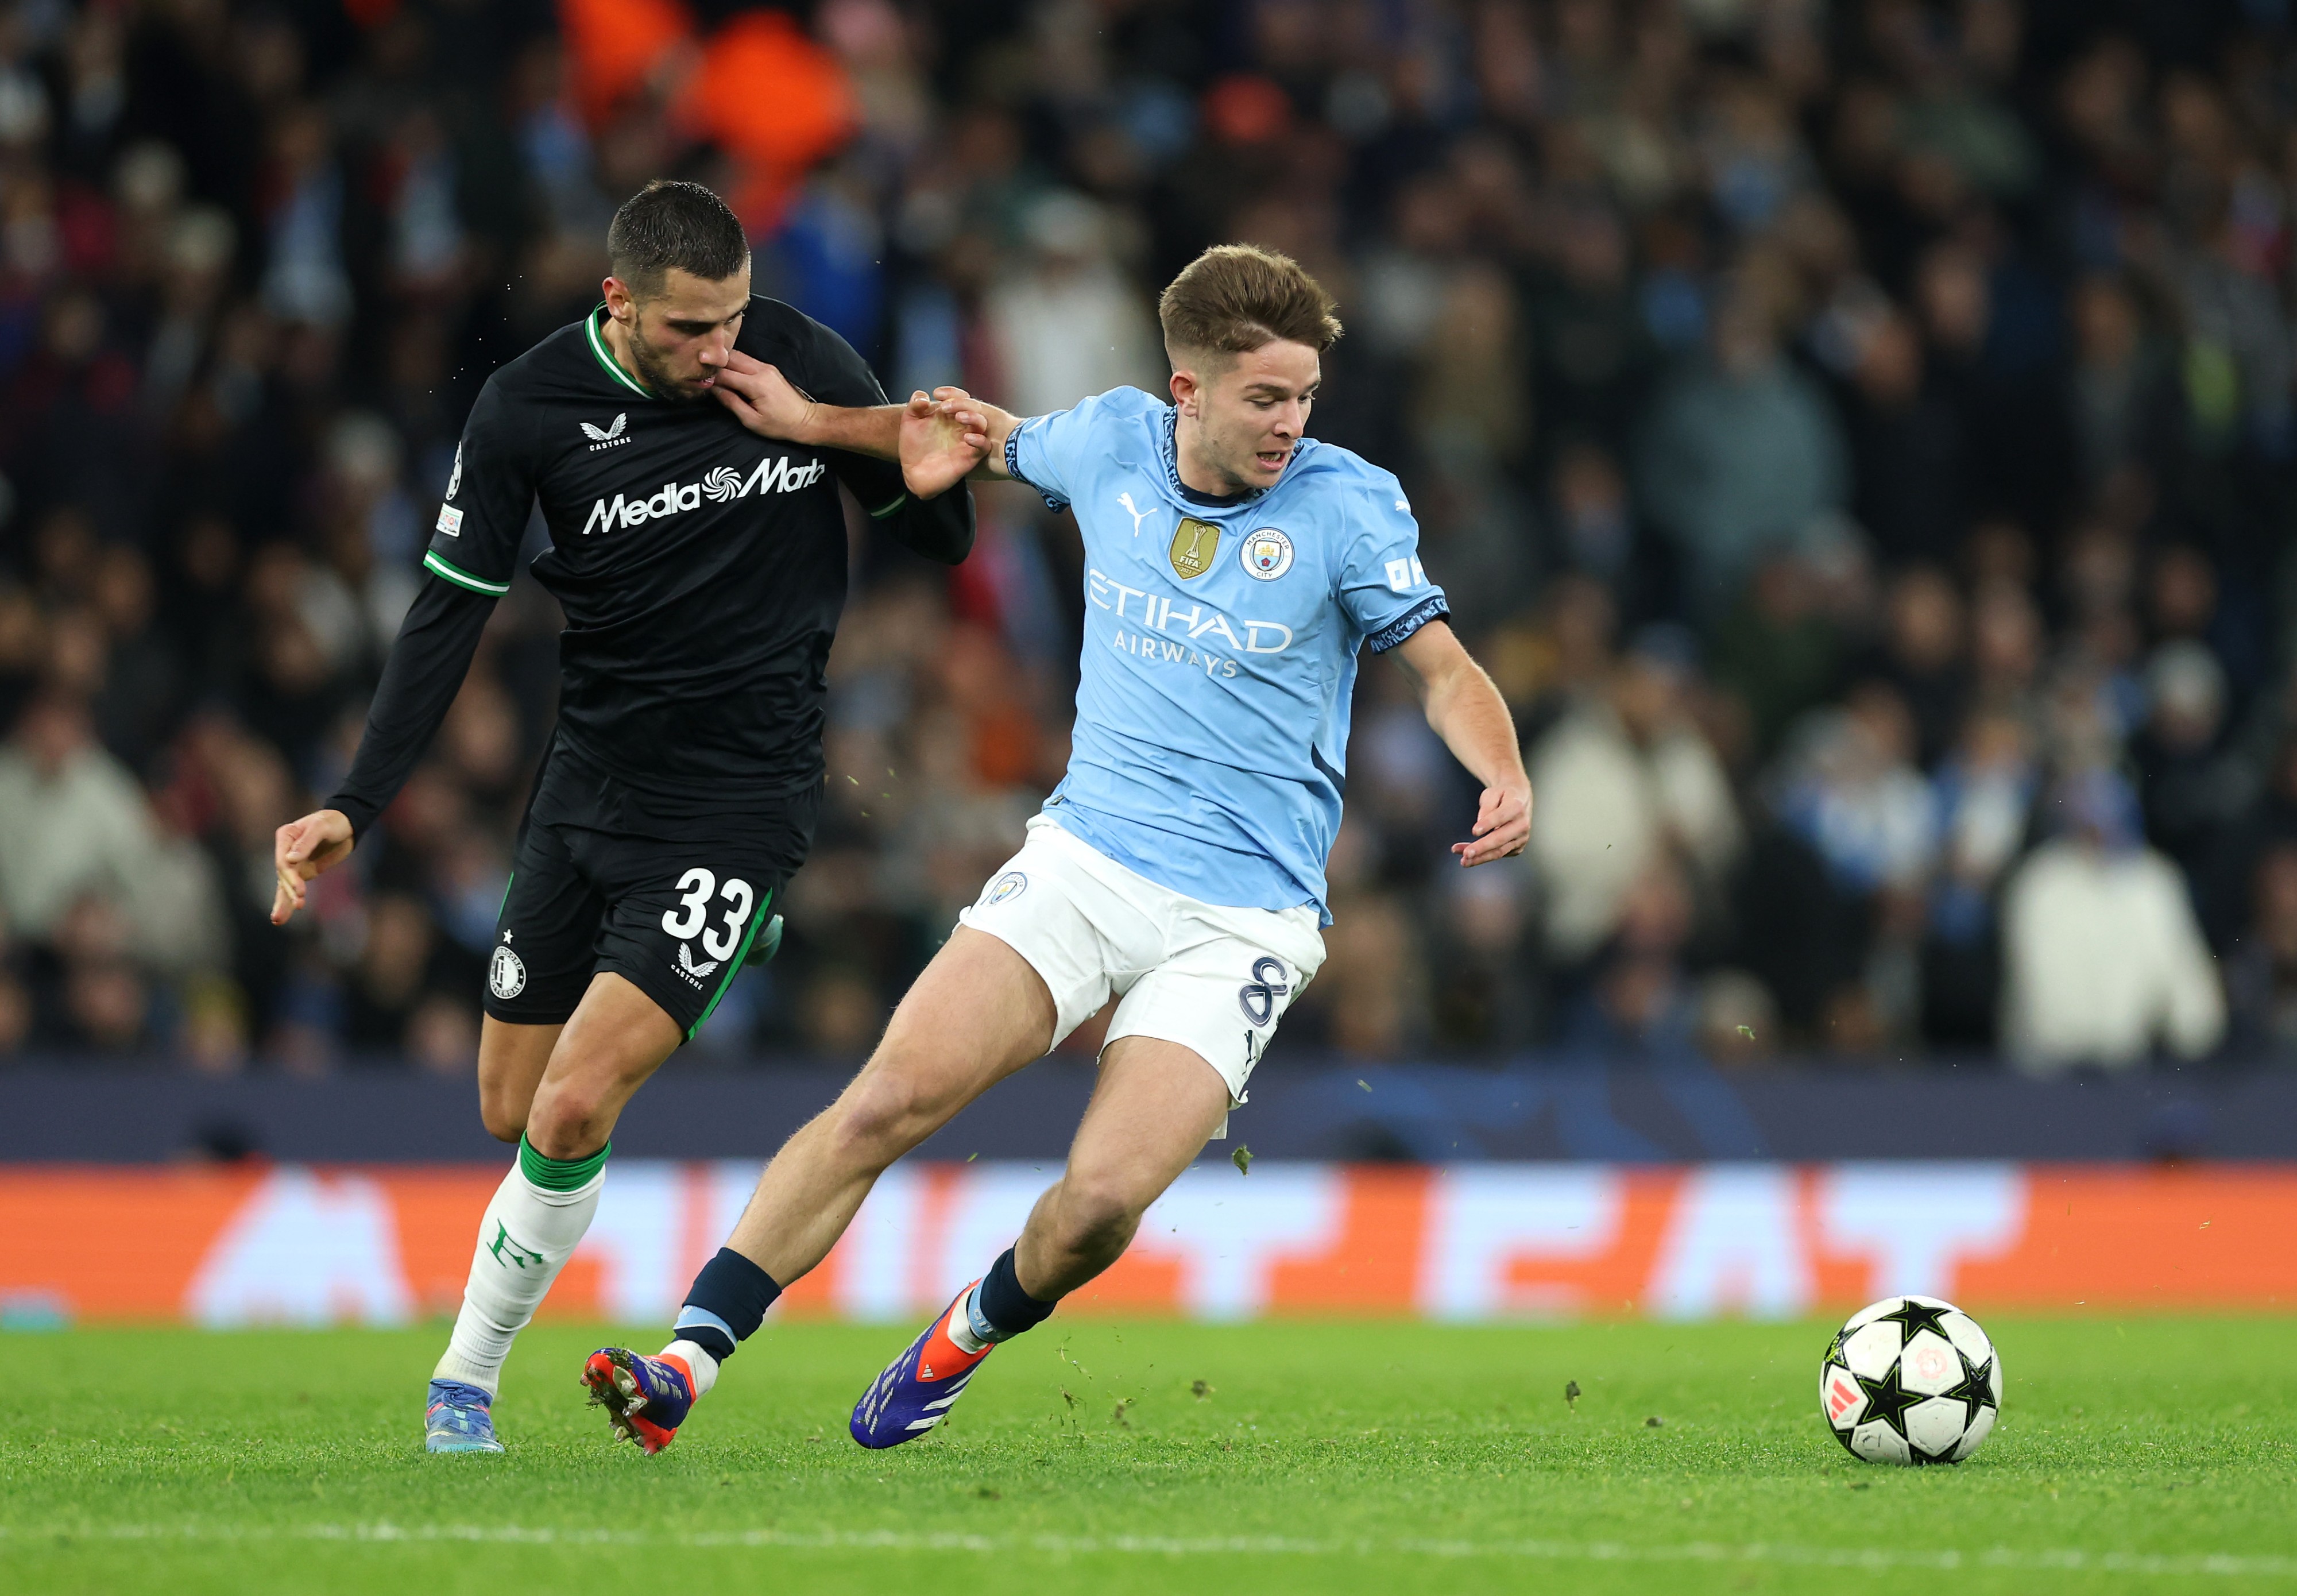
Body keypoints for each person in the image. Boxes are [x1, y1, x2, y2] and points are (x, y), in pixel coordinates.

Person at [582, 244, 1530, 1453]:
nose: (1289, 422)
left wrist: (1499, 764)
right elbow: (971, 432)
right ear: (1186, 390)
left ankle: (959, 1337)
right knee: (886, 1099)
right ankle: (681, 1367)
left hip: (1241, 918)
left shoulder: (1347, 506)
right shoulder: (1108, 442)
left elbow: (1442, 669)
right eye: (1263, 398)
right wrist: (819, 419)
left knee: (1095, 1205)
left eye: (1301, 396)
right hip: (1083, 864)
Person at [266, 180, 978, 1454]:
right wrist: (352, 803)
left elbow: (936, 535)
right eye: (690, 331)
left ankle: (461, 1385)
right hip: (587, 787)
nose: (721, 351)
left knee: (572, 1108)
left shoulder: (796, 359)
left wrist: (879, 451)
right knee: (511, 1105)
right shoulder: (528, 409)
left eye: (734, 320)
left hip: (740, 797)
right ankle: (733, 937)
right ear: (619, 304)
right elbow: (448, 612)